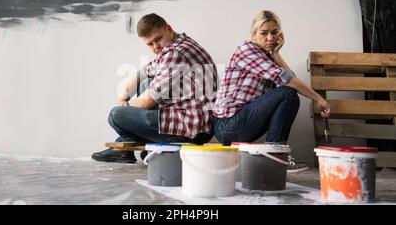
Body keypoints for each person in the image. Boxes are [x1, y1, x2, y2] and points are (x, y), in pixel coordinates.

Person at [213, 10, 330, 172]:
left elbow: (291, 79)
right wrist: (318, 99)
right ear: (254, 34)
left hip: (242, 122)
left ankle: (275, 155)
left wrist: (276, 53)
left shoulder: (267, 56)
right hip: (228, 125)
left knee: (290, 95)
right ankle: (276, 156)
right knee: (288, 93)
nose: (270, 38)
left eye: (274, 33)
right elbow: (288, 81)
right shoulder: (247, 49)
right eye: (264, 33)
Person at [92, 13, 218, 163]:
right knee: (146, 83)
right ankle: (127, 150)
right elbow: (142, 73)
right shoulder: (178, 43)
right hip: (195, 124)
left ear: (168, 28)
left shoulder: (175, 53)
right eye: (150, 44)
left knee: (116, 115)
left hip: (192, 129)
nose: (156, 46)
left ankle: (125, 148)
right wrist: (124, 96)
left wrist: (126, 107)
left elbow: (146, 103)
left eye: (158, 39)